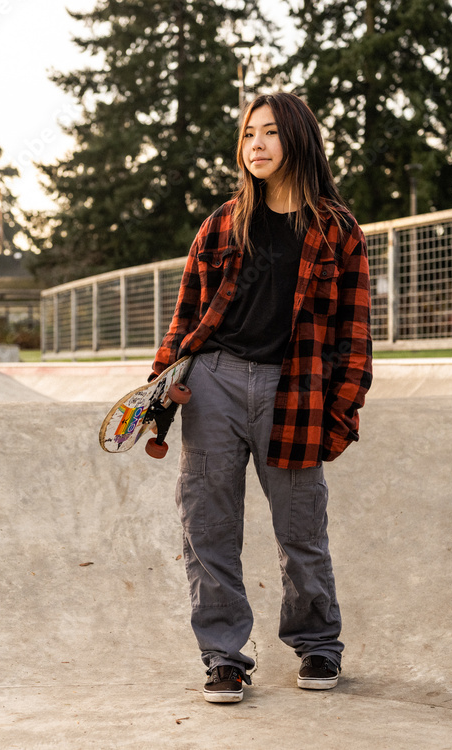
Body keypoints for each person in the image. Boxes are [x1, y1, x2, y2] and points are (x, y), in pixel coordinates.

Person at [150, 92, 372, 704]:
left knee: (302, 528)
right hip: (214, 383)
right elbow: (186, 317)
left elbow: (355, 339)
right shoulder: (222, 224)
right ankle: (224, 655)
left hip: (294, 389)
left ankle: (318, 642)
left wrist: (341, 413)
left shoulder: (337, 230)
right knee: (209, 526)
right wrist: (161, 390)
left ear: (298, 139)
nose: (257, 146)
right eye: (249, 135)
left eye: (270, 133)